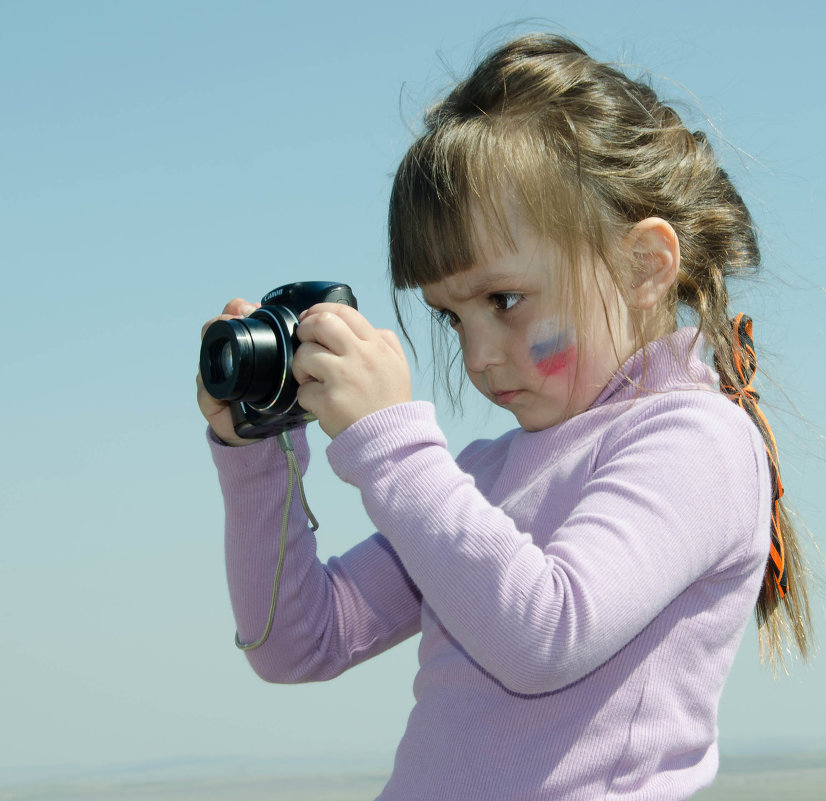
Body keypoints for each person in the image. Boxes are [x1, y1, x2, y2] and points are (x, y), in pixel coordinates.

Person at [197, 34, 812, 800]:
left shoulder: (698, 440)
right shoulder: (481, 478)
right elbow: (295, 640)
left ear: (645, 267)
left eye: (505, 300)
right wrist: (260, 447)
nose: (480, 355)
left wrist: (392, 448)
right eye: (452, 318)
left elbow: (547, 632)